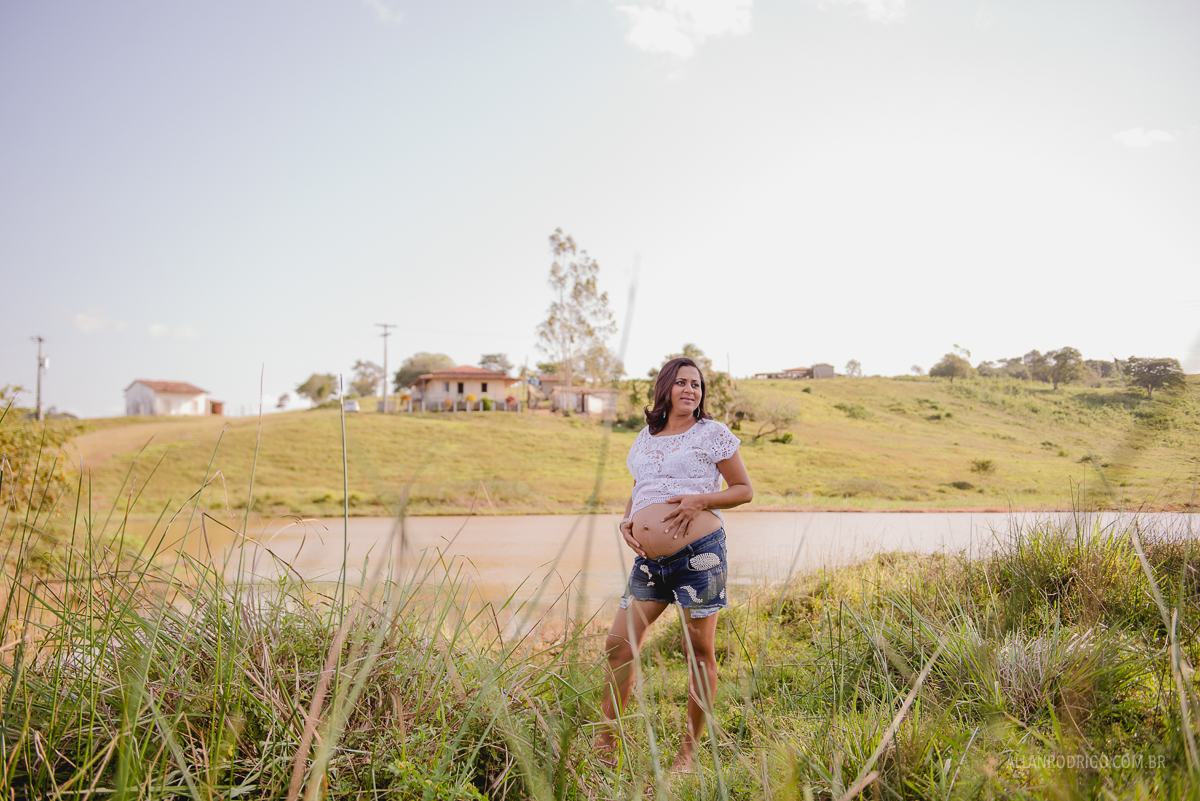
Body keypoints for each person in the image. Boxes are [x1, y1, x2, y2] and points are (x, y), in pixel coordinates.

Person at [595, 357, 754, 772]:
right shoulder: (645, 438)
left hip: (698, 554)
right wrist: (628, 519)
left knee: (697, 649)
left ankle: (688, 752)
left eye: (696, 385)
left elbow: (743, 490)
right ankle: (605, 743)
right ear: (665, 388)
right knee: (619, 645)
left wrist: (700, 499)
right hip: (649, 562)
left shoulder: (713, 434)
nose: (690, 390)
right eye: (681, 383)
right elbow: (640, 486)